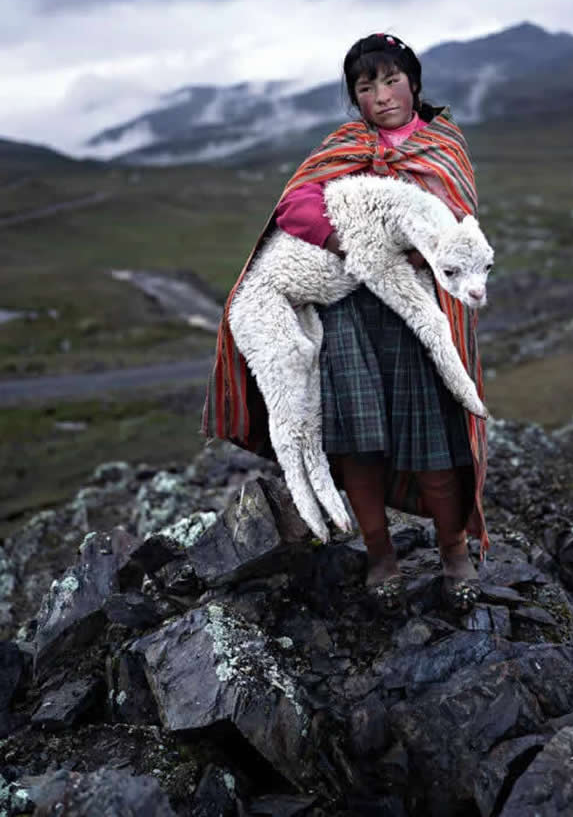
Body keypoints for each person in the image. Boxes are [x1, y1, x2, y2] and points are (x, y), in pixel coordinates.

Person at [202, 33, 488, 611]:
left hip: (417, 308)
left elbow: (458, 221)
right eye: (365, 86)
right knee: (356, 437)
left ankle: (454, 552)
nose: (381, 95)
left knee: (435, 432)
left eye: (390, 80)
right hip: (349, 313)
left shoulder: (444, 148)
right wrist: (348, 242)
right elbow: (294, 207)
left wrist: (419, 249)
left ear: (413, 82)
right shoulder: (341, 147)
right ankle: (380, 554)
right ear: (354, 97)